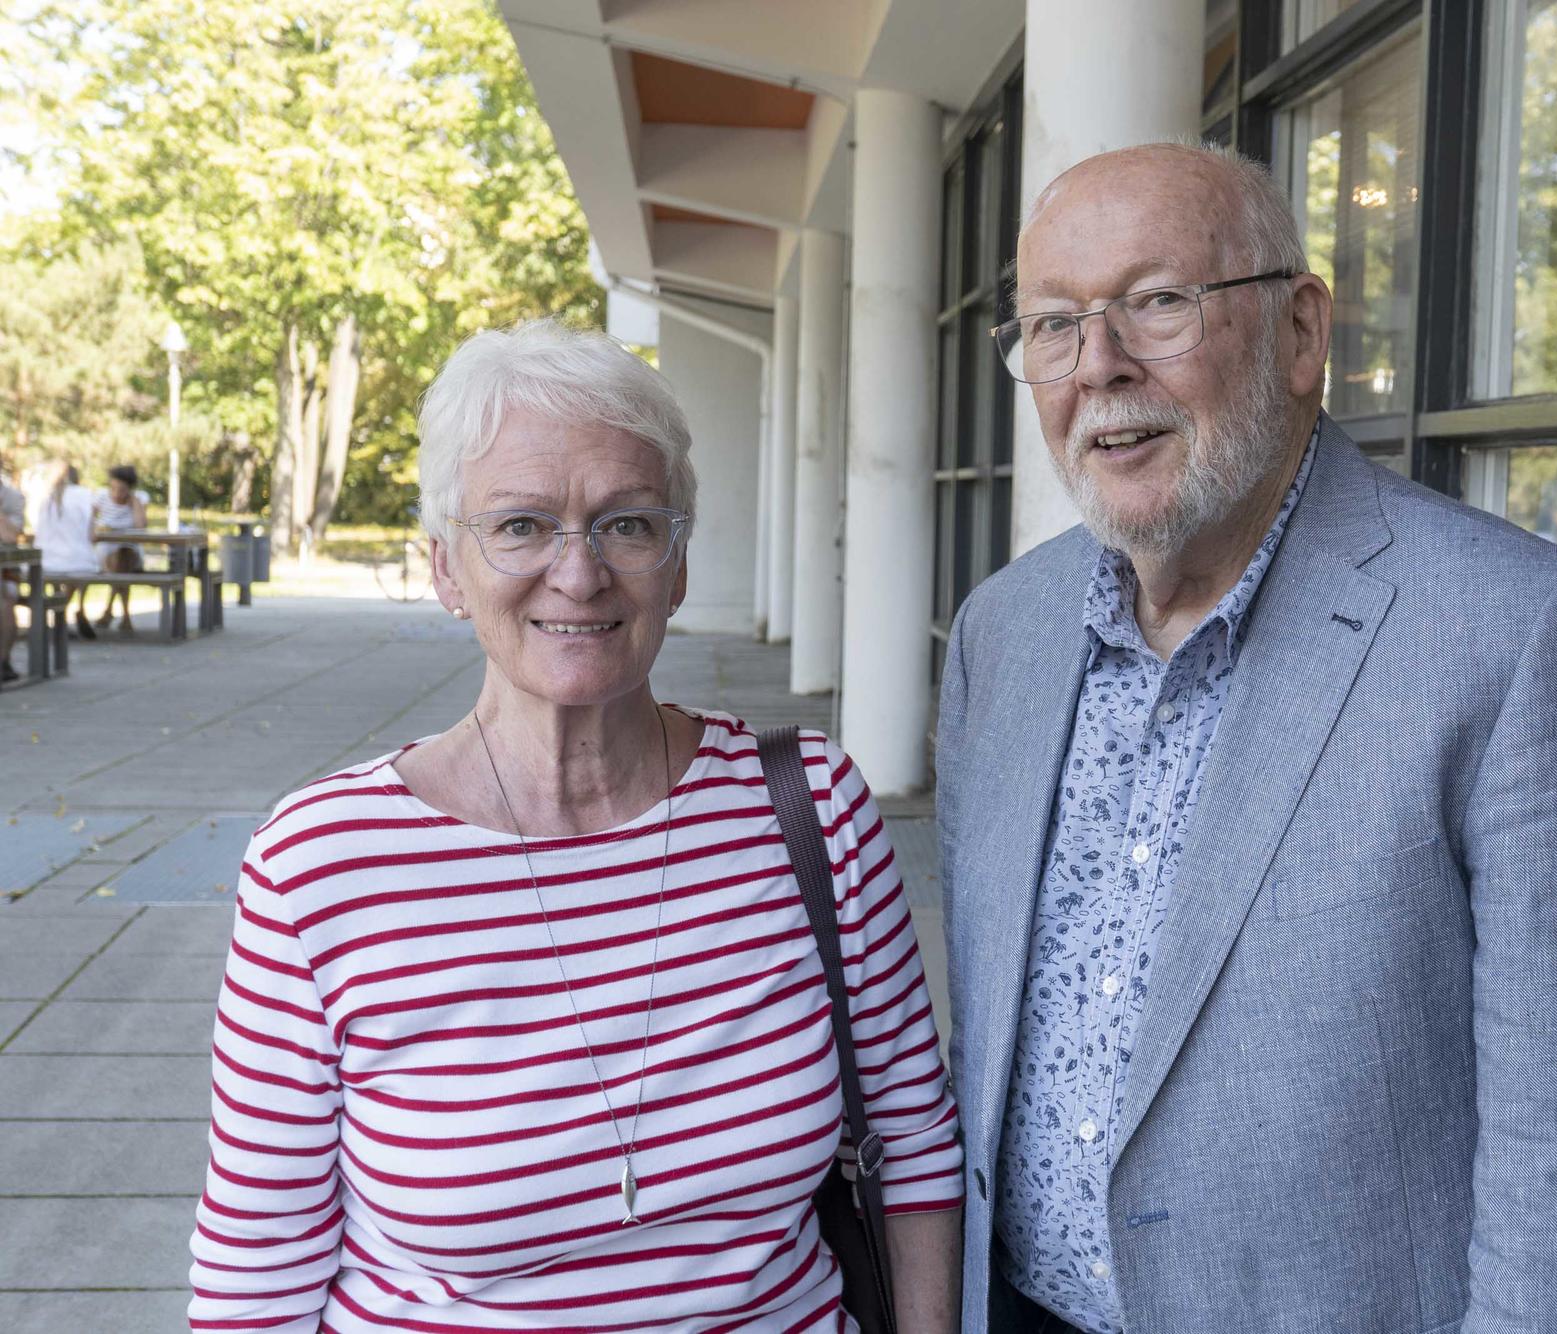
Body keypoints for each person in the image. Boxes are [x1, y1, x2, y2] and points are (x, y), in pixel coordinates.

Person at [936, 144, 1557, 1333]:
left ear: (1300, 331)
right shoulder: (1003, 633)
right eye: (1051, 324)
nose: (1098, 367)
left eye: (1157, 303)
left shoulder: (1522, 637)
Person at [187, 320, 964, 1332]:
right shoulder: (324, 864)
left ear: (677, 564)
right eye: (519, 524)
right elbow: (258, 1260)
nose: (579, 570)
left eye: (626, 523)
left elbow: (911, 1144)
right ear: (445, 571)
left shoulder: (809, 808)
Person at [32, 460, 100, 641]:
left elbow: (34, 528)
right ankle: (64, 611)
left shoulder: (42, 496)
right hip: (78, 561)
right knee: (81, 569)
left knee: (63, 570)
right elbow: (92, 536)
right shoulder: (86, 496)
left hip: (45, 561)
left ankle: (59, 613)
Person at [88, 463, 148, 636]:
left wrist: (133, 502)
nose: (115, 493)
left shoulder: (140, 498)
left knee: (123, 558)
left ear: (129, 489)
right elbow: (89, 520)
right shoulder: (100, 496)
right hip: (105, 547)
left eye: (121, 489)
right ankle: (125, 616)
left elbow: (140, 526)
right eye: (112, 488)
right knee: (119, 565)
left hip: (129, 547)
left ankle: (108, 612)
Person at [0, 458, 25, 682]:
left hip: (5, 568)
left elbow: (10, 536)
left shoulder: (13, 498)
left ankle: (3, 660)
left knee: (4, 599)